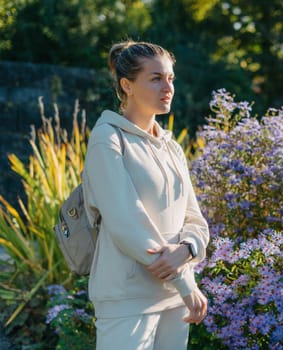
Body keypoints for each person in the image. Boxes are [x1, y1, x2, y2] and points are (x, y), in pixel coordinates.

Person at [82, 40, 209, 349]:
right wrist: (184, 282)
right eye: (155, 78)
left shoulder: (171, 147)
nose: (168, 87)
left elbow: (194, 219)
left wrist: (188, 250)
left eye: (170, 78)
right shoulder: (107, 139)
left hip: (174, 297)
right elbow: (127, 222)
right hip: (128, 298)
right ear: (127, 85)